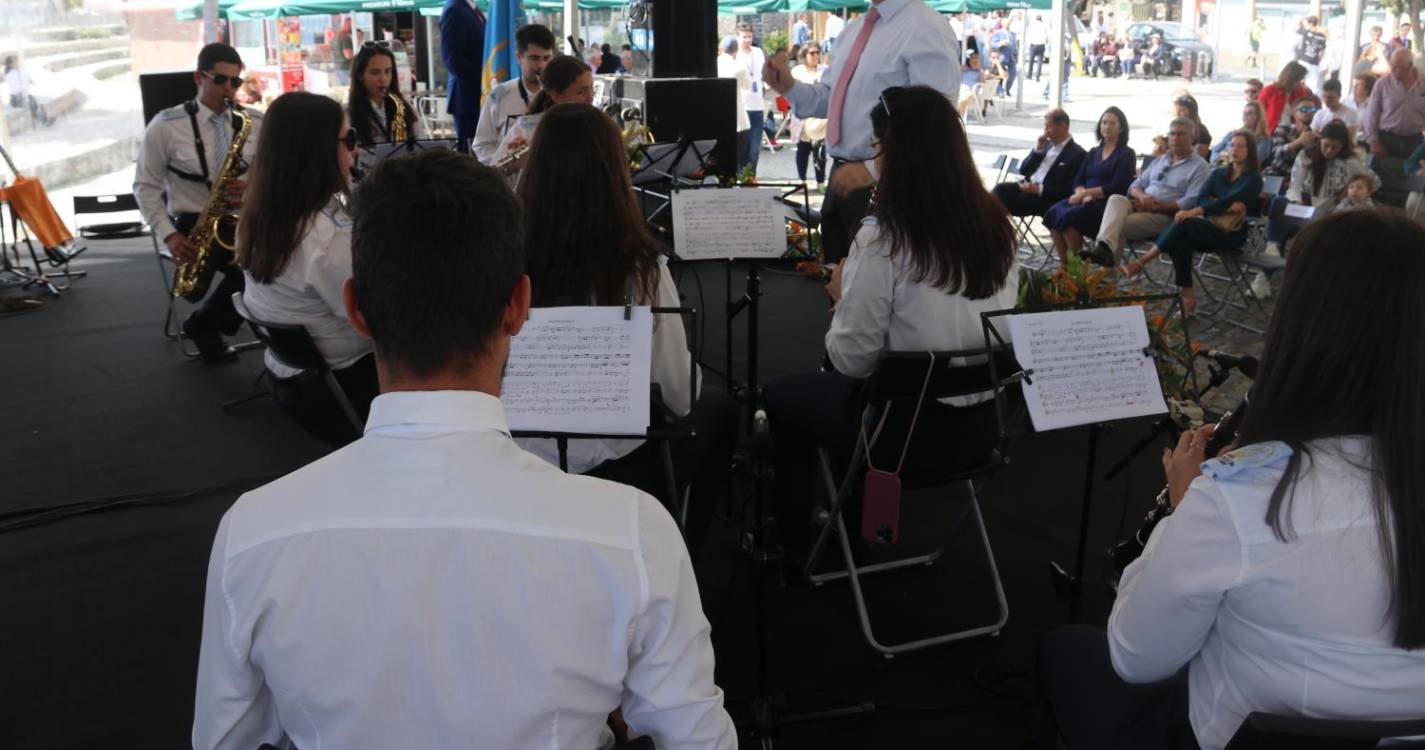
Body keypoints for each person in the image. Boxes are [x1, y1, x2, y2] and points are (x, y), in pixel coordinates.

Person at [193, 149, 736, 750]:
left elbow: (225, 741)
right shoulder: (634, 532)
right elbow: (699, 741)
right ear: (518, 306)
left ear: (356, 310)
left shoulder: (251, 534)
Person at [1039, 209, 1425, 750]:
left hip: (1221, 734)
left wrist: (1183, 510)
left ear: (1301, 329)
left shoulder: (1241, 500)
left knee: (1065, 650)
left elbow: (1136, 658)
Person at [763, 85, 1017, 549]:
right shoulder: (998, 227)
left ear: (897, 153)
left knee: (783, 398)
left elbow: (848, 361)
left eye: (878, 148)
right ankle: (855, 512)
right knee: (867, 392)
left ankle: (798, 538)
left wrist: (841, 297)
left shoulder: (884, 241)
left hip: (898, 440)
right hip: (985, 431)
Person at [515, 104, 737, 558]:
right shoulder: (638, 270)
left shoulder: (501, 265)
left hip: (520, 471)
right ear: (614, 176)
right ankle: (681, 556)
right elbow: (679, 396)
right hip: (614, 477)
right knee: (718, 408)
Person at [763, 0, 960, 266]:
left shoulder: (927, 28)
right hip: (843, 178)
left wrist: (872, 169)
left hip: (892, 186)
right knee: (834, 283)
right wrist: (788, 86)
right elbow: (831, 100)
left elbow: (936, 124)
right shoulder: (855, 29)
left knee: (878, 293)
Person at [235, 92, 376, 447]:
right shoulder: (325, 240)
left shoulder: (260, 213)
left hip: (291, 377)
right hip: (342, 388)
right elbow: (380, 322)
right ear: (319, 153)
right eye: (349, 140)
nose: (355, 150)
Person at [133, 43, 263, 363]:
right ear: (198, 77)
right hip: (193, 222)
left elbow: (276, 174)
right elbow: (145, 187)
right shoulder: (166, 126)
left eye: (236, 82)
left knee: (268, 266)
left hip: (244, 219)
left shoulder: (255, 123)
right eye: (220, 80)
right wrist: (169, 234)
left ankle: (205, 323)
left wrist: (253, 186)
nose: (229, 89)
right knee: (249, 272)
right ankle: (217, 317)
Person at [1117, 131, 1263, 314]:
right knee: (1180, 240)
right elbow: (1202, 198)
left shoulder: (1253, 179)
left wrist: (1208, 207)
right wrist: (1221, 206)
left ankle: (1141, 262)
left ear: (1250, 151)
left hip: (1230, 234)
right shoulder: (1219, 173)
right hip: (1210, 225)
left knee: (1185, 222)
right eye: (1232, 145)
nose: (1235, 149)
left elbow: (1220, 201)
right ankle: (1188, 296)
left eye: (1241, 146)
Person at [1085, 117, 1210, 266]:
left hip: (1168, 217)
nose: (1175, 138)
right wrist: (1143, 197)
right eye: (1172, 134)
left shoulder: (1199, 167)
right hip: (1142, 204)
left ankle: (1106, 277)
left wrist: (1156, 206)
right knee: (1116, 199)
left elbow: (1190, 202)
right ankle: (1103, 250)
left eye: (1181, 134)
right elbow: (1135, 185)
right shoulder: (1161, 160)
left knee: (1120, 224)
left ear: (1192, 137)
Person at [1264, 120, 1373, 256]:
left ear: (1342, 146)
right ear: (1320, 140)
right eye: (1326, 145)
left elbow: (1373, 182)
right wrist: (1297, 201)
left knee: (1288, 223)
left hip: (1332, 210)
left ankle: (1275, 252)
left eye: (1335, 147)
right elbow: (1295, 186)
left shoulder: (1350, 162)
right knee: (1279, 203)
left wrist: (1349, 189)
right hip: (1305, 205)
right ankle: (1272, 247)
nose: (1329, 150)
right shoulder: (1306, 155)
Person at [1042, 107, 1136, 264]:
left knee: (1069, 221)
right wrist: (1080, 193)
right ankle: (1064, 266)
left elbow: (1116, 186)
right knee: (1053, 214)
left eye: (1112, 123)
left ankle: (1077, 269)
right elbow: (1078, 179)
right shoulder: (1093, 152)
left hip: (1106, 204)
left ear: (1121, 128)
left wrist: (1086, 194)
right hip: (1083, 198)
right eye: (1104, 122)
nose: (1107, 126)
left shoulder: (1126, 154)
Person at [472, 23, 555, 165]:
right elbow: (482, 145)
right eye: (534, 58)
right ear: (519, 57)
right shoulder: (498, 96)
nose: (541, 65)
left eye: (546, 58)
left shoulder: (561, 95)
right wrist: (504, 163)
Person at [991, 108, 1086, 218]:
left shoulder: (1078, 154)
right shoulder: (1046, 144)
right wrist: (1038, 150)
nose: (1045, 132)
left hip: (1045, 197)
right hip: (1027, 186)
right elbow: (1023, 170)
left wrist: (1039, 189)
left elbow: (1068, 190)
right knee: (999, 190)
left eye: (1048, 127)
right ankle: (991, 226)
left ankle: (991, 228)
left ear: (1062, 127)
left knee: (998, 203)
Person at [346, 43, 428, 147]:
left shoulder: (407, 109)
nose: (383, 79)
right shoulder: (347, 115)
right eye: (375, 72)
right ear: (360, 75)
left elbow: (422, 144)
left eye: (387, 71)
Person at [439, 0, 485, 151]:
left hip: (479, 98)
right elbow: (453, 61)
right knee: (471, 159)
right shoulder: (454, 9)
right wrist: (487, 77)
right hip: (468, 99)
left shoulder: (470, 9)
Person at [1364, 48, 1425, 159]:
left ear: (1410, 66)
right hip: (1386, 140)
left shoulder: (1422, 84)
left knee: (1413, 175)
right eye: (1392, 65)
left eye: (1397, 67)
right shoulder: (1383, 83)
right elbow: (1371, 113)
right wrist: (1373, 141)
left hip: (1414, 141)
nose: (1392, 70)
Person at [791, 46, 828, 190]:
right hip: (802, 117)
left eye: (818, 53)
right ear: (804, 54)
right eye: (812, 53)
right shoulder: (797, 71)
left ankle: (820, 182)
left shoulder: (824, 70)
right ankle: (802, 181)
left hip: (819, 118)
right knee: (803, 150)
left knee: (820, 151)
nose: (815, 56)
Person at [734, 23, 768, 176]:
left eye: (750, 37)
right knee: (742, 148)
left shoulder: (758, 52)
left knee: (755, 148)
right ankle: (740, 177)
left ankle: (750, 178)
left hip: (757, 107)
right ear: (738, 37)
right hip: (742, 108)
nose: (747, 40)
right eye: (744, 37)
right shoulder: (734, 55)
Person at [717, 36, 753, 158]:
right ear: (736, 51)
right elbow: (748, 86)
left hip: (717, 121)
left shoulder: (712, 66)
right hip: (738, 120)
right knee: (740, 161)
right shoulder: (740, 67)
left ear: (720, 49)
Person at [1265, 95, 1319, 177]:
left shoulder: (1315, 136)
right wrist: (1299, 141)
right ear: (1294, 113)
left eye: (1312, 109)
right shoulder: (1283, 129)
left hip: (1299, 180)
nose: (1309, 112)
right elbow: (1277, 154)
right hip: (1276, 174)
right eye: (1304, 109)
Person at [526, 55, 594, 114]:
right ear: (556, 96)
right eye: (580, 92)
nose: (590, 98)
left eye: (592, 88)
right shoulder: (534, 127)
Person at [1259, 61, 1311, 129]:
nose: (1301, 83)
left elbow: (1306, 112)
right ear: (1290, 79)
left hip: (1294, 129)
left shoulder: (1300, 92)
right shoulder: (1269, 91)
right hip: (1272, 130)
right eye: (1299, 80)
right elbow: (1259, 114)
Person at [4, 55, 49, 126]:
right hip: (16, 99)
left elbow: (27, 79)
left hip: (23, 96)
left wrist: (29, 80)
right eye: (16, 62)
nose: (18, 63)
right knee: (31, 104)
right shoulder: (10, 74)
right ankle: (43, 120)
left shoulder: (19, 72)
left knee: (35, 101)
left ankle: (44, 118)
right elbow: (19, 86)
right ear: (11, 65)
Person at [1174, 94, 1212, 159]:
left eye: (1182, 110)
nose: (1178, 114)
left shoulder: (1202, 132)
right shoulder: (1175, 130)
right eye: (1177, 110)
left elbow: (1198, 157)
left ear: (1192, 112)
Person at [1295, 15, 1328, 89]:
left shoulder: (1305, 33)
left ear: (1310, 23)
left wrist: (1302, 19)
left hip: (1303, 61)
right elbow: (1322, 52)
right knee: (1312, 87)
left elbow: (1298, 28)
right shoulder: (1322, 36)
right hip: (1314, 64)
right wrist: (1317, 60)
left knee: (1298, 82)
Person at [958, 51, 987, 118]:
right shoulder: (965, 69)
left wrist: (980, 71)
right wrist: (959, 68)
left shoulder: (979, 72)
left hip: (971, 92)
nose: (974, 63)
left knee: (962, 101)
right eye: (972, 61)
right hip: (959, 91)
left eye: (976, 61)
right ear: (969, 61)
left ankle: (960, 117)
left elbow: (983, 83)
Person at [332, 17, 354, 85]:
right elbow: (348, 55)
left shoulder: (336, 36)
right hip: (345, 68)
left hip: (337, 67)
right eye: (352, 25)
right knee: (348, 90)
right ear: (348, 24)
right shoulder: (346, 37)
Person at [1027, 14, 1048, 81]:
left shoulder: (1032, 25)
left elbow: (1029, 35)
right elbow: (1047, 35)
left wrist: (1028, 43)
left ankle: (1029, 75)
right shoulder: (1044, 25)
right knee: (1040, 61)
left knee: (1031, 60)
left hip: (1033, 44)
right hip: (1041, 45)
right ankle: (1037, 76)